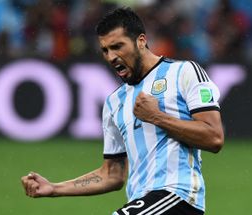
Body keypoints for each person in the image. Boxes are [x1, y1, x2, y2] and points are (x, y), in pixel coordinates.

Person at [21, 7, 224, 215]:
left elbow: (214, 137)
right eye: (105, 50)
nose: (111, 57)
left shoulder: (184, 72)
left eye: (118, 46)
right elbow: (112, 174)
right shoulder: (114, 102)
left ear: (141, 41)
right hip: (142, 203)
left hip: (178, 198)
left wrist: (158, 117)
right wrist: (54, 188)